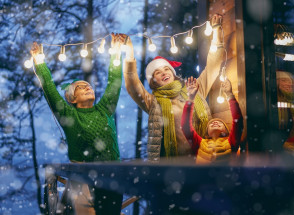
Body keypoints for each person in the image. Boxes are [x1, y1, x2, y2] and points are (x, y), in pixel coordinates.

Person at [30, 34, 123, 214]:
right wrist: (39, 61)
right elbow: (49, 87)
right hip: (84, 178)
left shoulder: (105, 109)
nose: (88, 87)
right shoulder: (69, 115)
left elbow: (114, 83)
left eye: (89, 85)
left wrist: (117, 53)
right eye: (81, 87)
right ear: (72, 98)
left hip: (114, 174)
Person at [123, 14, 225, 161]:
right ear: (154, 82)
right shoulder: (153, 102)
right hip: (171, 165)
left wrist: (216, 33)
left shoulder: (194, 89)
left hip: (203, 159)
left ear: (173, 72)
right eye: (157, 72)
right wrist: (129, 52)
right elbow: (132, 85)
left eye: (166, 69)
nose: (163, 73)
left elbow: (213, 66)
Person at [180, 77, 243, 164]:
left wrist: (229, 95)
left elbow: (238, 120)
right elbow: (185, 126)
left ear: (226, 130)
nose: (215, 122)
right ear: (207, 132)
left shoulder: (231, 141)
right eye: (211, 123)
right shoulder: (199, 143)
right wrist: (191, 98)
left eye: (220, 122)